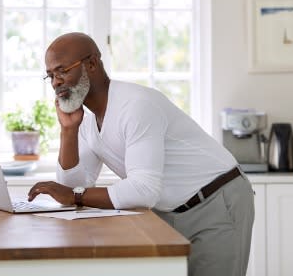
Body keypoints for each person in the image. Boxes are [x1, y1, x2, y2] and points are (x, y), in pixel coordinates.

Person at [28, 32, 254, 276]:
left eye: (62, 71)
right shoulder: (84, 118)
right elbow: (72, 187)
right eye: (50, 75)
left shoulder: (136, 106)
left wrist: (73, 195)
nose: (55, 82)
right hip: (168, 210)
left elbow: (142, 190)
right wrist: (68, 131)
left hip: (215, 200)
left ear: (91, 64)